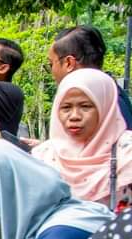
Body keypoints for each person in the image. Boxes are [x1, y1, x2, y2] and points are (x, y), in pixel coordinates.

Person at [32, 68, 132, 210]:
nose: (74, 116)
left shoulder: (127, 153)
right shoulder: (42, 156)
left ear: (105, 107)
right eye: (66, 107)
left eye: (85, 107)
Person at [49, 25, 132, 129]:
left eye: (51, 64)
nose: (74, 117)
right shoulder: (110, 94)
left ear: (69, 63)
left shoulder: (112, 104)